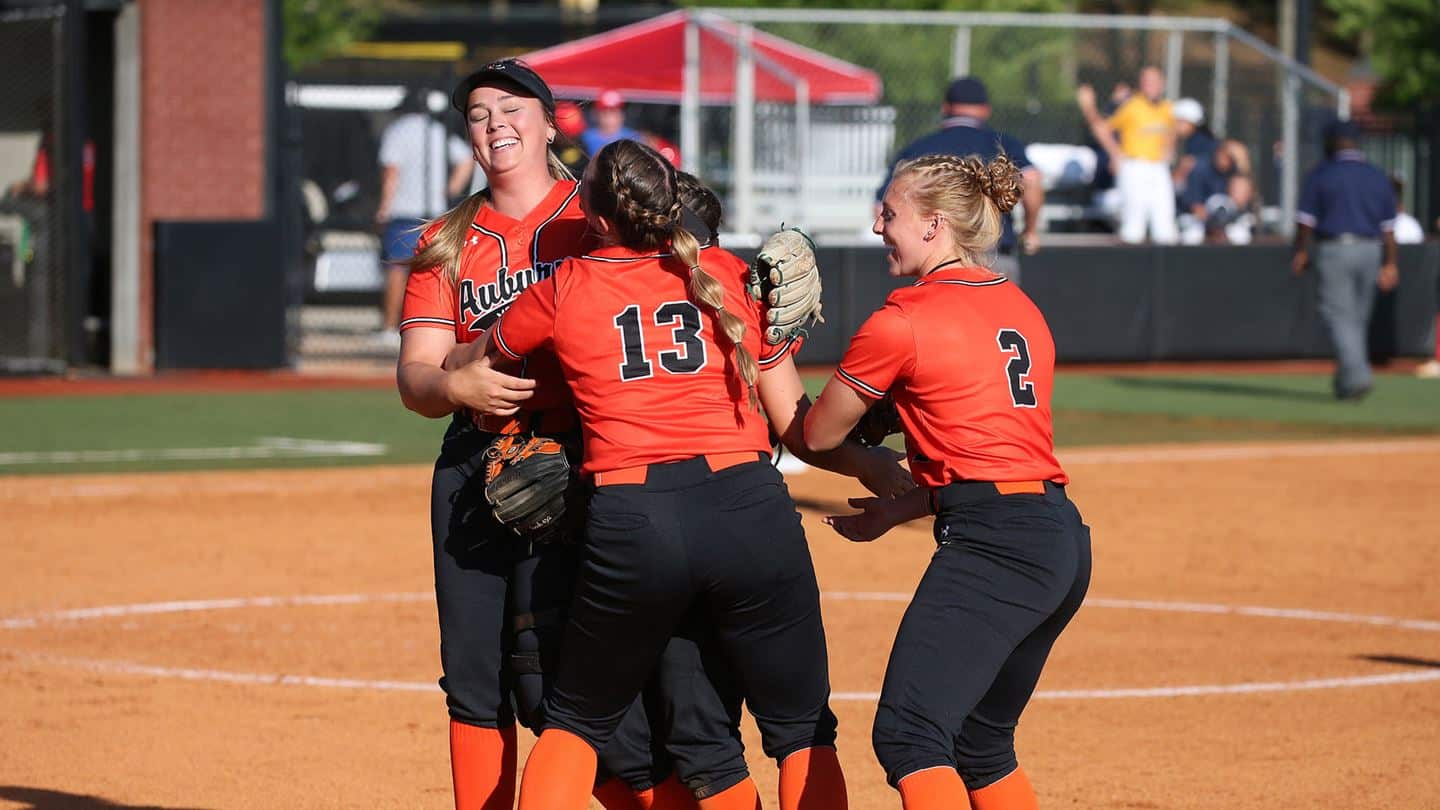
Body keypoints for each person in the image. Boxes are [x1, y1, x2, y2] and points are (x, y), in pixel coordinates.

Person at [489, 139, 906, 810]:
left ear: (596, 221)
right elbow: (798, 426)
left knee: (576, 723)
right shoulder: (728, 272)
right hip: (749, 509)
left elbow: (481, 366)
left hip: (634, 517)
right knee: (802, 730)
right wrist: (866, 459)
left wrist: (439, 373)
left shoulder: (563, 285)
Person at [395, 60, 712, 810]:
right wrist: (452, 385)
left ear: (547, 120)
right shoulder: (447, 240)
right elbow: (415, 376)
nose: (495, 122)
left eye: (512, 107)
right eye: (478, 113)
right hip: (475, 463)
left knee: (557, 684)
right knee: (473, 677)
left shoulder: (595, 218)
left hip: (582, 461)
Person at [803, 153, 1091, 810]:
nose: (878, 224)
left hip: (997, 545)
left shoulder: (902, 318)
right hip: (1060, 539)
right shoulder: (1019, 304)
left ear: (935, 225)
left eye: (891, 212)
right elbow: (996, 459)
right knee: (983, 746)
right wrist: (899, 507)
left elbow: (819, 436)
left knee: (909, 737)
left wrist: (773, 351)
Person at [876, 76, 1043, 282]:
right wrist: (1030, 230)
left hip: (937, 263)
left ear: (945, 108)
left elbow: (881, 206)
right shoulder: (1002, 144)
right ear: (985, 110)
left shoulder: (918, 148)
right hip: (995, 256)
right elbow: (1032, 181)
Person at [1292, 119, 1400, 400]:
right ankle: (1347, 382)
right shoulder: (1376, 175)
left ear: (1332, 142)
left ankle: (1358, 376)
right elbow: (1389, 228)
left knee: (1339, 317)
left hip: (1335, 249)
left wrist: (1301, 251)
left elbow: (1305, 222)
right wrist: (1390, 263)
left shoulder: (1322, 174)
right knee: (1356, 319)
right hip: (1371, 250)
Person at [376, 88, 474, 348]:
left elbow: (391, 171)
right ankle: (432, 327)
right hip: (434, 212)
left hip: (404, 210)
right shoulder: (437, 131)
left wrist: (384, 206)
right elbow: (466, 159)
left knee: (397, 268)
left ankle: (389, 327)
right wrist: (449, 191)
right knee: (433, 272)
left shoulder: (397, 130)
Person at [1077, 66, 1179, 244]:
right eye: (1146, 82)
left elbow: (1171, 132)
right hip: (1135, 166)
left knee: (1165, 225)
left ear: (1162, 84)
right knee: (1134, 225)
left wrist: (1169, 150)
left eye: (1154, 81)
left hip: (1159, 168)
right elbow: (1101, 128)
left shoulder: (1167, 108)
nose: (1150, 86)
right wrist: (1116, 154)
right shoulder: (1131, 106)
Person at [1170, 97, 1216, 203]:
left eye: (1179, 121)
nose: (1175, 125)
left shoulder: (1198, 140)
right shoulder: (1199, 138)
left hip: (1201, 199)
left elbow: (1186, 167)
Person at [580, 89, 646, 156]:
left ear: (622, 114)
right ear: (596, 114)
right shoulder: (586, 138)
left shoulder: (634, 138)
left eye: (614, 112)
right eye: (605, 112)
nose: (609, 118)